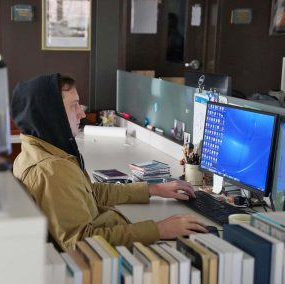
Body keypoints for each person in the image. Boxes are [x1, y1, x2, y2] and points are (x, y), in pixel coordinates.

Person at [11, 73, 207, 251]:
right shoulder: (52, 170)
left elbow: (90, 193)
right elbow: (79, 242)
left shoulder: (36, 151)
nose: (82, 113)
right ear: (51, 116)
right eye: (74, 106)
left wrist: (153, 189)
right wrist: (159, 229)